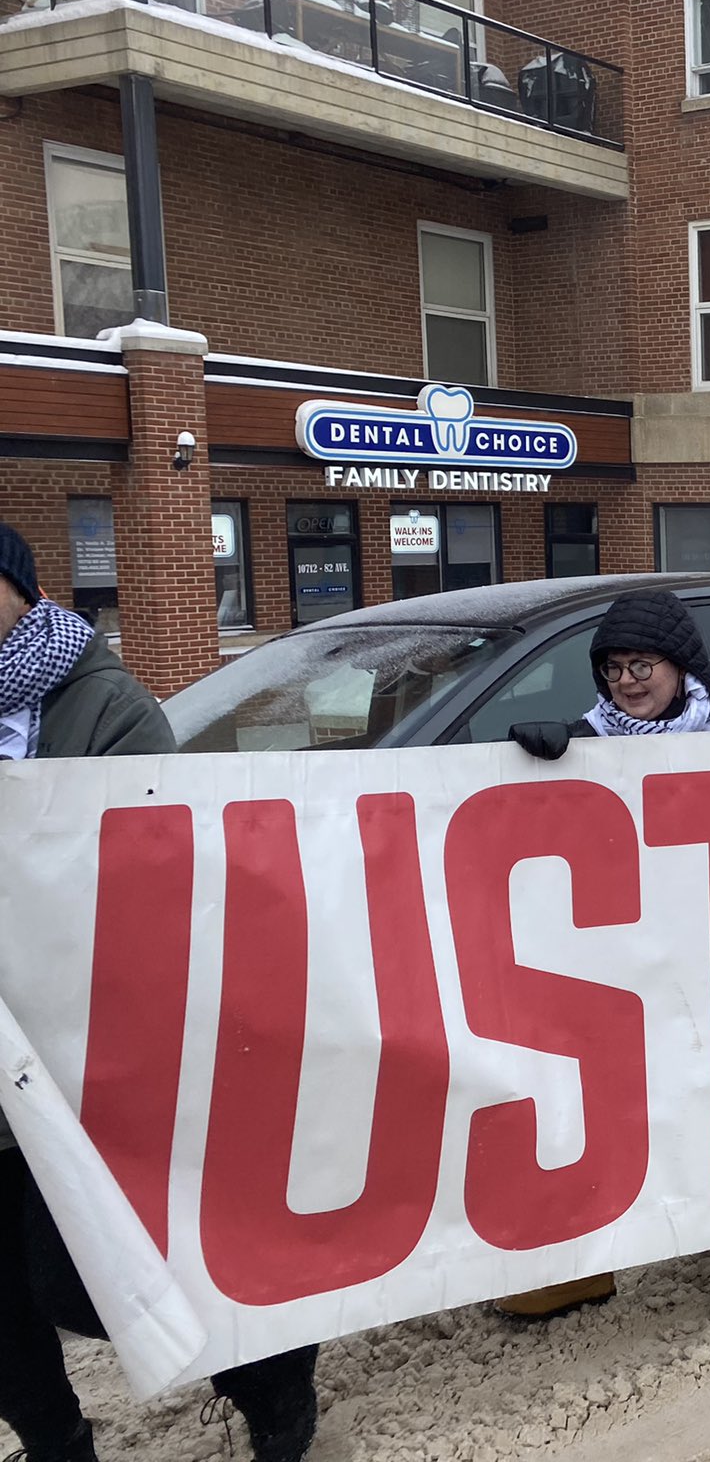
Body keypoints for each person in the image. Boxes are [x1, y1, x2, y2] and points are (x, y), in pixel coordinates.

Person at [0, 524, 322, 1462]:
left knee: (88, 1271)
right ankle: (56, 1443)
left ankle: (270, 1381)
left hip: (77, 1042)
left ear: (21, 589)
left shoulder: (106, 707)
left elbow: (151, 868)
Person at [502, 590, 710, 1318]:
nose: (626, 681)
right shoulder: (587, 740)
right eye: (613, 668)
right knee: (610, 1104)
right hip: (626, 956)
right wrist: (531, 763)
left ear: (681, 667)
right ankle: (590, 1262)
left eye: (642, 665)